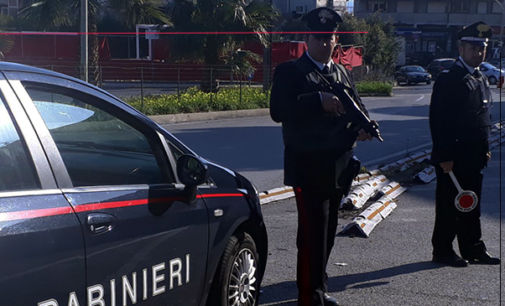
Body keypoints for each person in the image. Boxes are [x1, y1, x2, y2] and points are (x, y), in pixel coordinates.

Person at [269, 7, 375, 306]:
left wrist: (363, 127)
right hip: (308, 164)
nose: (324, 43)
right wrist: (317, 101)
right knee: (313, 234)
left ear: (336, 39)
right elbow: (279, 110)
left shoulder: (341, 71)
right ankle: (309, 296)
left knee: (327, 233)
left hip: (339, 165)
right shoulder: (291, 71)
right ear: (307, 39)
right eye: (318, 38)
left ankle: (319, 285)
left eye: (329, 38)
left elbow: (357, 106)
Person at [429, 21, 500, 267]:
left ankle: (473, 247)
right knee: (449, 205)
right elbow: (439, 121)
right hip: (453, 154)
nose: (478, 53)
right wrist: (444, 155)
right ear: (461, 50)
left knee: (471, 203)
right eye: (473, 48)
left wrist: (486, 147)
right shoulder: (450, 78)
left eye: (482, 49)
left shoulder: (480, 77)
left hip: (474, 153)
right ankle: (443, 250)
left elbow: (481, 117)